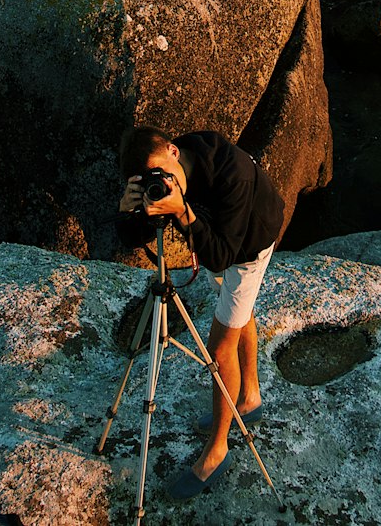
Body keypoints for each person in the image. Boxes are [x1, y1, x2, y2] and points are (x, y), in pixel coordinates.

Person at [117, 125, 284, 500]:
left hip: (250, 243)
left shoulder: (230, 173)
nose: (162, 184)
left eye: (162, 175)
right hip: (218, 237)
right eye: (149, 182)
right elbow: (132, 238)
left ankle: (218, 450)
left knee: (220, 345)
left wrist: (184, 213)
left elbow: (223, 257)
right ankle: (249, 398)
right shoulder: (169, 171)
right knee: (239, 313)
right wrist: (129, 211)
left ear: (173, 151)